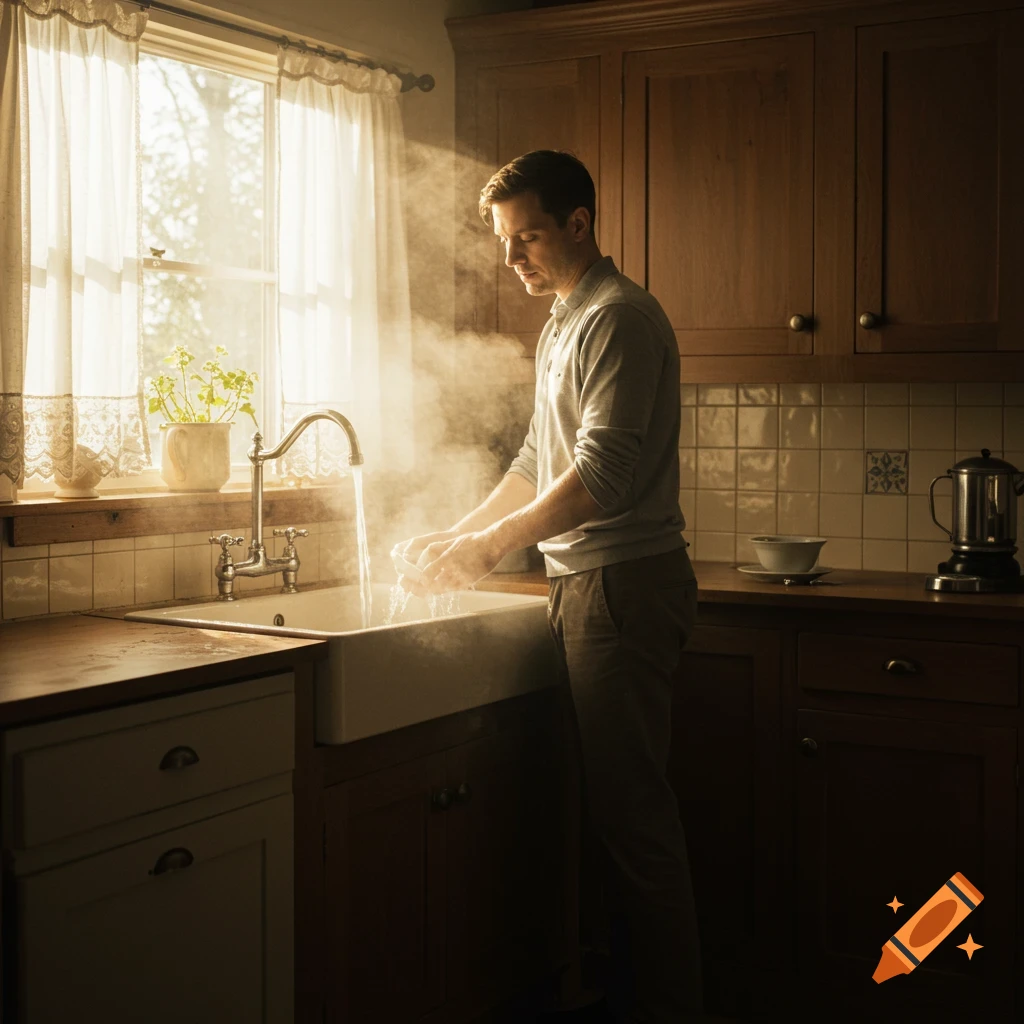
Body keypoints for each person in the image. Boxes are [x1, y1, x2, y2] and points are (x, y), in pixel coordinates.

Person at [394, 150, 703, 1024]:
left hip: (622, 586)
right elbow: (539, 461)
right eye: (503, 239)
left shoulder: (619, 319)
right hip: (586, 584)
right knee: (614, 816)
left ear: (578, 223)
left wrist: (491, 548)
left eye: (527, 236)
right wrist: (459, 533)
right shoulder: (564, 319)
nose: (510, 258)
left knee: (634, 823)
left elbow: (602, 475)